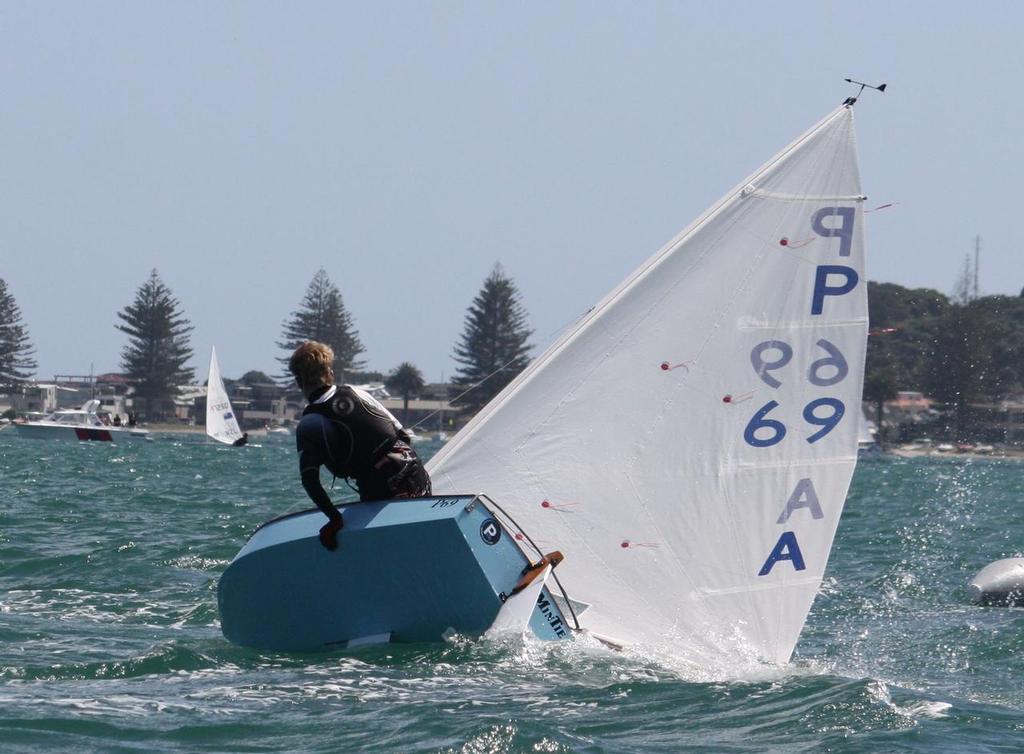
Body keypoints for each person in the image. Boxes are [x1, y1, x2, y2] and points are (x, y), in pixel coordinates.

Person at [289, 341, 431, 551]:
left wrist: (335, 520)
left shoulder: (309, 425)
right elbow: (403, 435)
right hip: (416, 475)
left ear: (299, 381)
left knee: (395, 549)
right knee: (419, 540)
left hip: (378, 490)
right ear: (329, 372)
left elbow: (310, 481)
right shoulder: (357, 393)